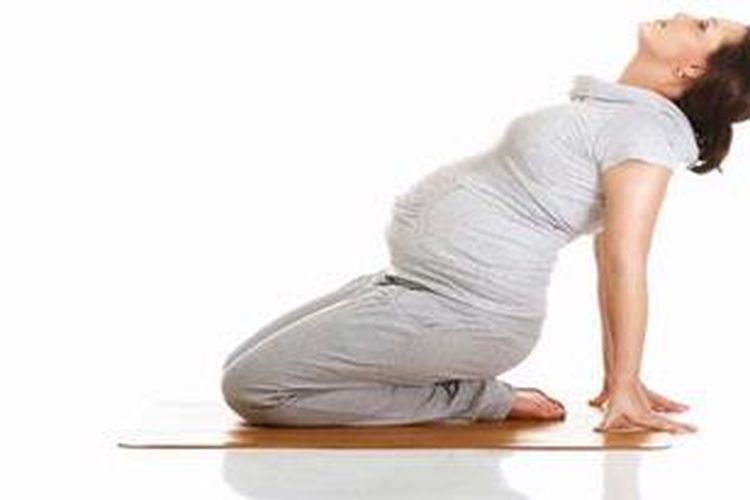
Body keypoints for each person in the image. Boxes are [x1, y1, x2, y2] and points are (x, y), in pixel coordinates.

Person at [221, 13, 750, 433]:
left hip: (466, 312)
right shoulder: (618, 116)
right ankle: (476, 392)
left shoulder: (646, 135)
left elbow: (623, 261)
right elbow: (606, 255)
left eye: (703, 26)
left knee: (255, 389)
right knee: (241, 366)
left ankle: (476, 398)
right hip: (415, 287)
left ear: (691, 70)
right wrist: (617, 378)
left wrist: (627, 380)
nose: (686, 14)